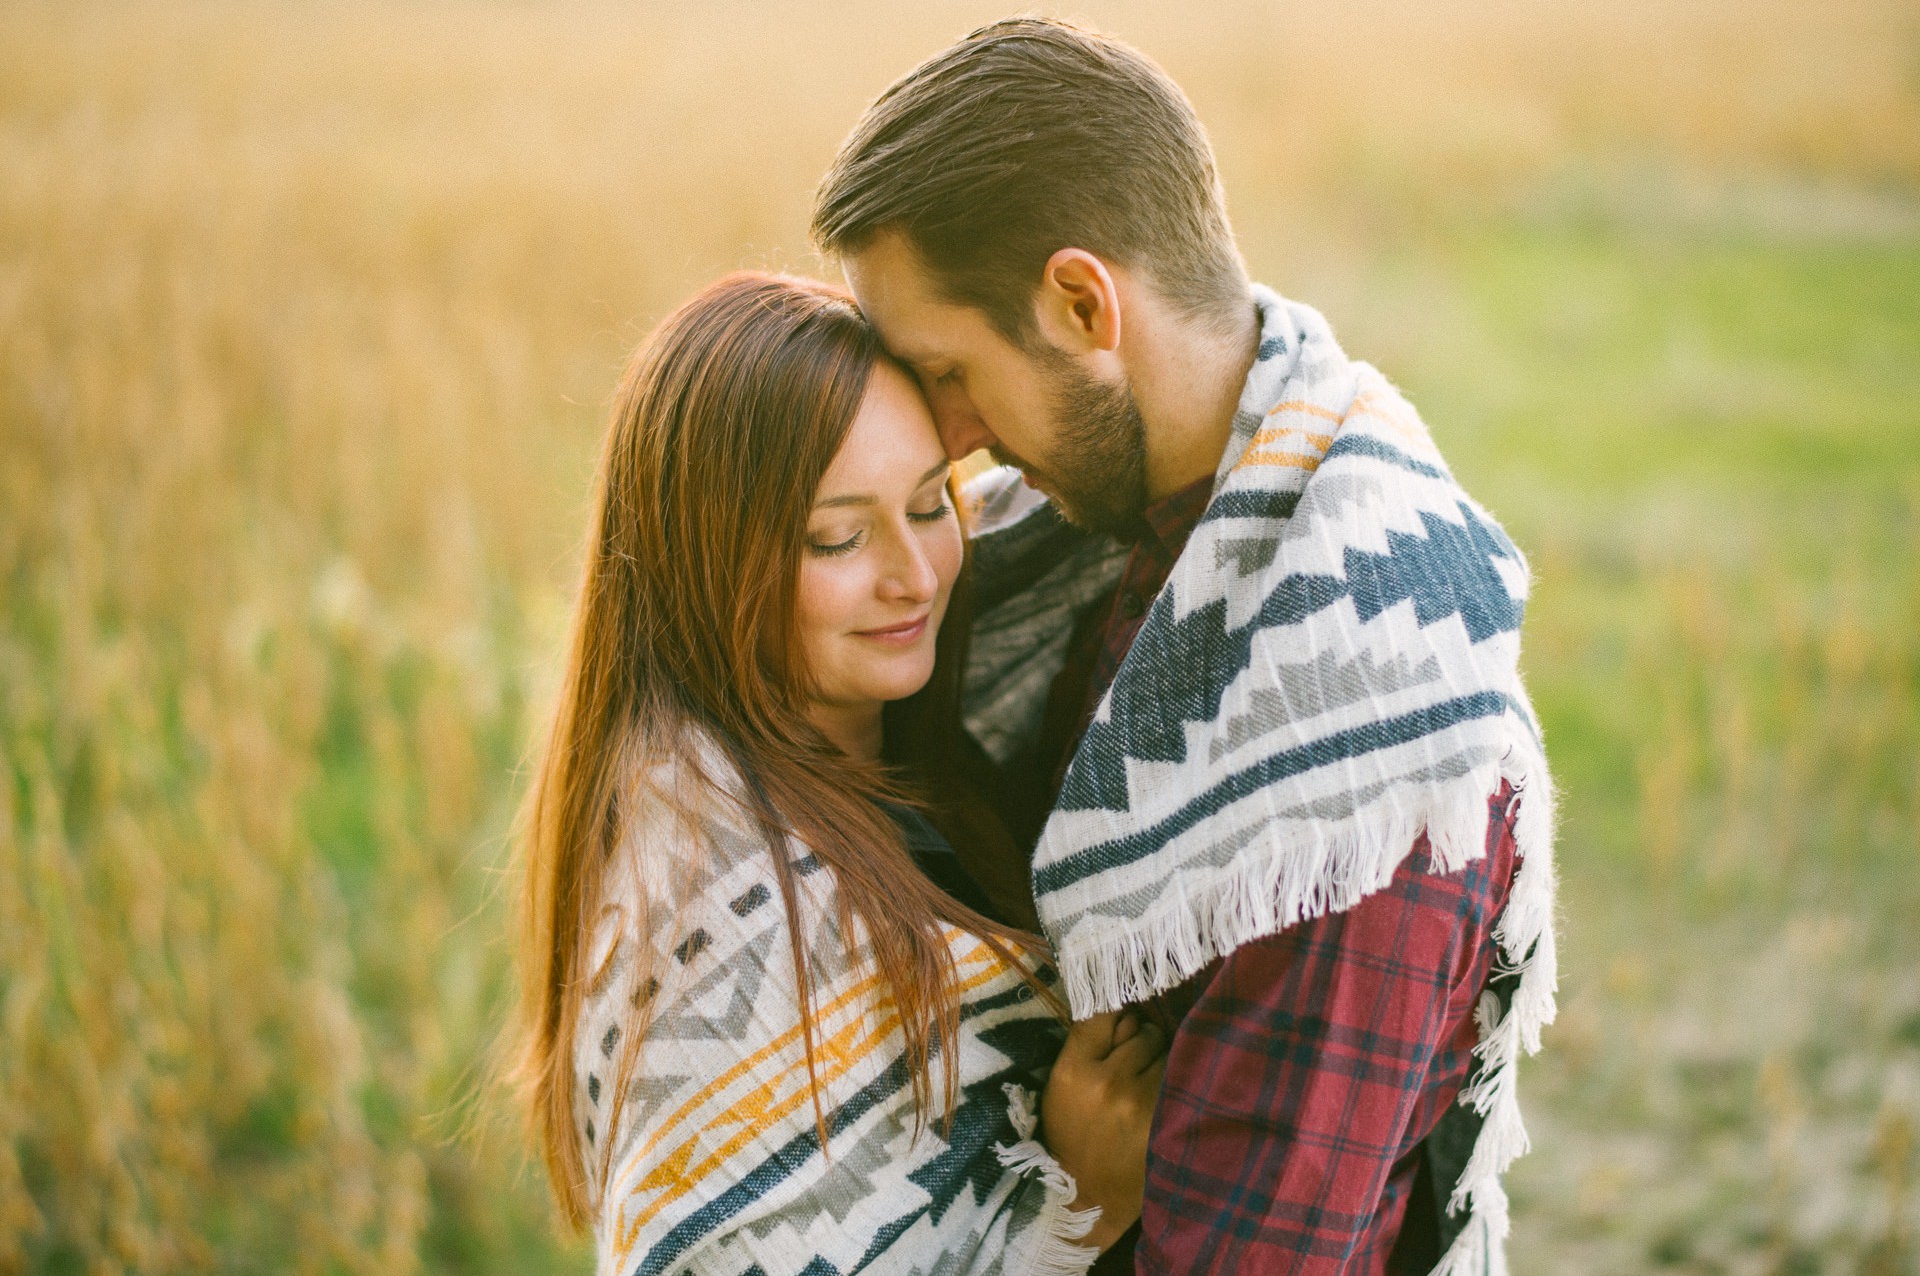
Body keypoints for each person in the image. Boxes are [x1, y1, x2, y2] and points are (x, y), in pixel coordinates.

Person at [812, 19, 1558, 1275]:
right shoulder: (1153, 530)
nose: (946, 439)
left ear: (1080, 302)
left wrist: (1071, 1225)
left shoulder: (1348, 749)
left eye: (949, 371)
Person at [510, 271, 1167, 1276]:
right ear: (709, 556)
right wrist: (1072, 1204)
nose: (915, 574)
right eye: (838, 536)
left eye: (928, 502)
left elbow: (1172, 455)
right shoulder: (713, 910)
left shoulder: (911, 710)